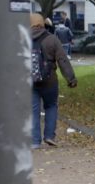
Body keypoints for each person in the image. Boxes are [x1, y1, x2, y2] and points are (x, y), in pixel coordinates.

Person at [30, 13, 77, 148]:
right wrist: (71, 79)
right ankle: (49, 136)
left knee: (33, 109)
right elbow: (62, 59)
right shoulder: (52, 39)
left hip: (30, 81)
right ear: (43, 23)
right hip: (50, 80)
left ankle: (35, 140)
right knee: (51, 106)